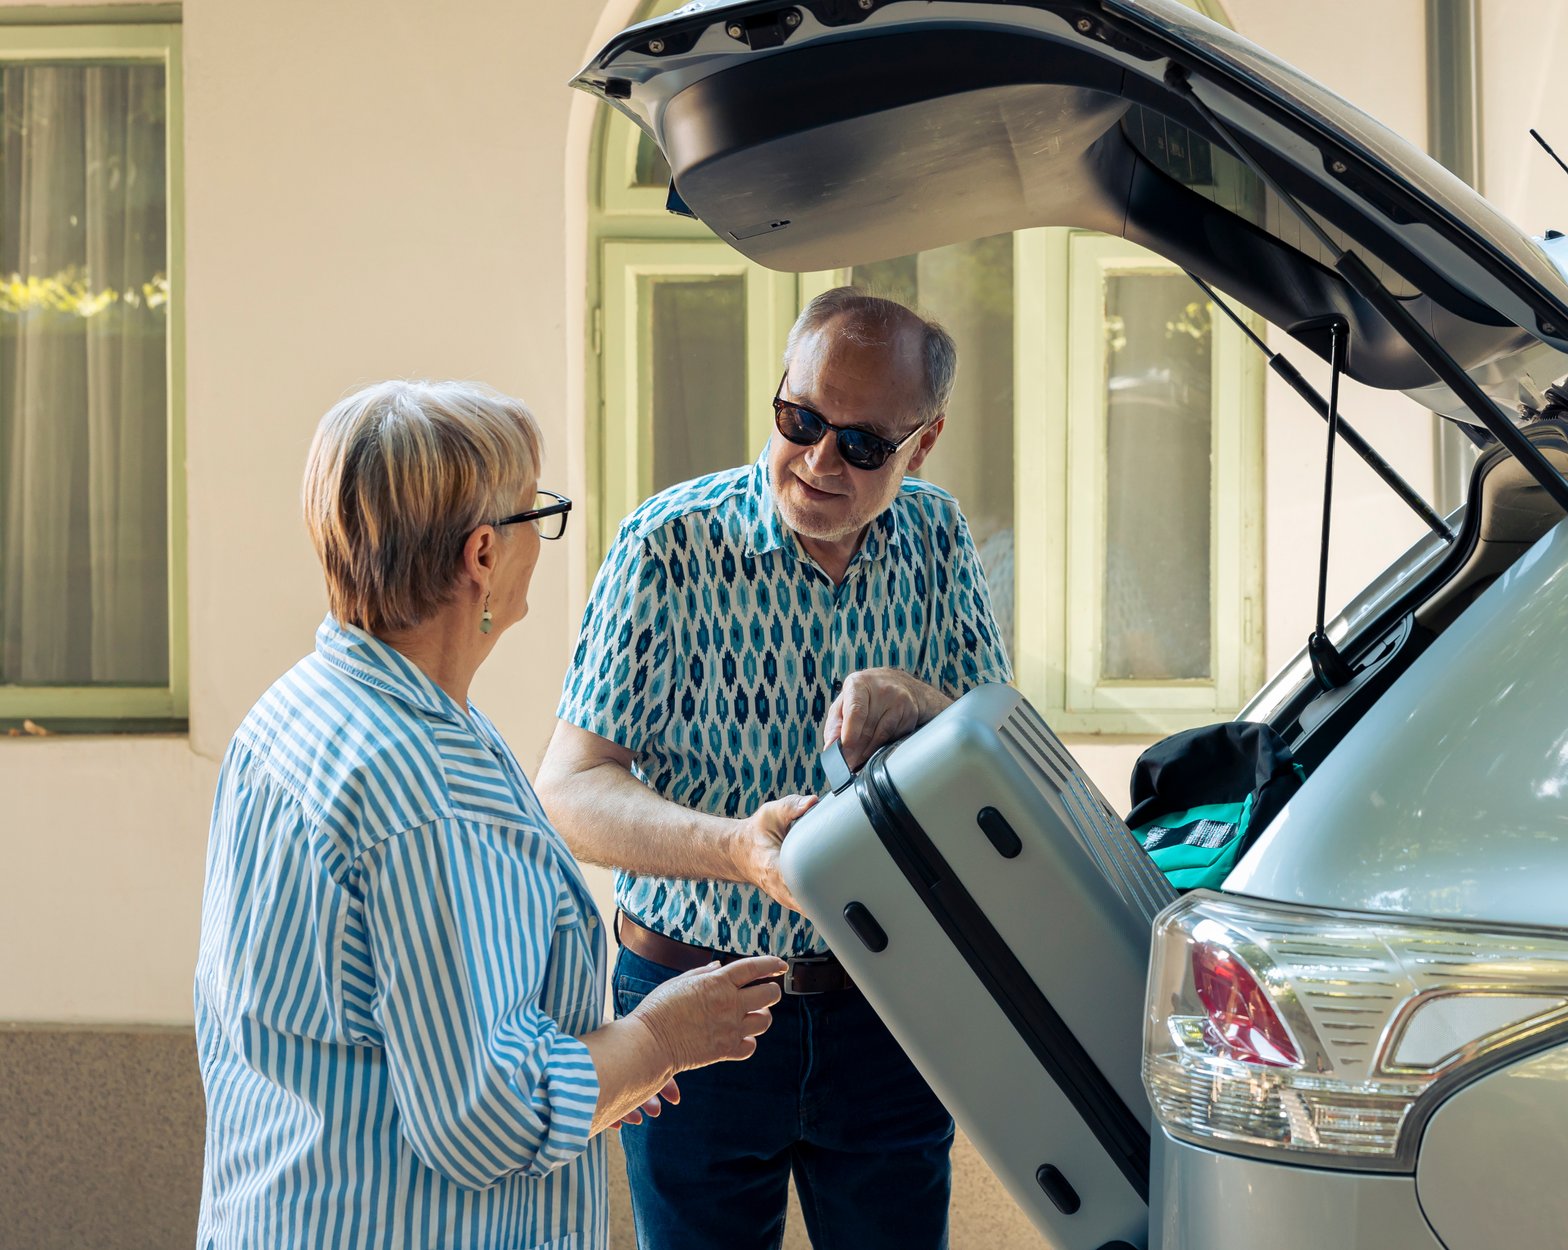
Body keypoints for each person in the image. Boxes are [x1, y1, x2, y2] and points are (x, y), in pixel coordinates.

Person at [193, 380, 786, 1250]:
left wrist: (607, 1063)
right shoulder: (420, 793)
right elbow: (484, 1118)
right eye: (535, 515)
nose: (539, 543)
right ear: (481, 555)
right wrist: (662, 1036)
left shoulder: (299, 715)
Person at [537, 289, 1012, 1249]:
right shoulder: (667, 546)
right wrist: (739, 852)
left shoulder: (936, 537)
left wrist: (920, 705)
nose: (819, 460)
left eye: (864, 444)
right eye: (800, 420)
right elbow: (569, 793)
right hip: (692, 1005)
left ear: (922, 445)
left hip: (890, 1005)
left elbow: (993, 749)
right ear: (779, 395)